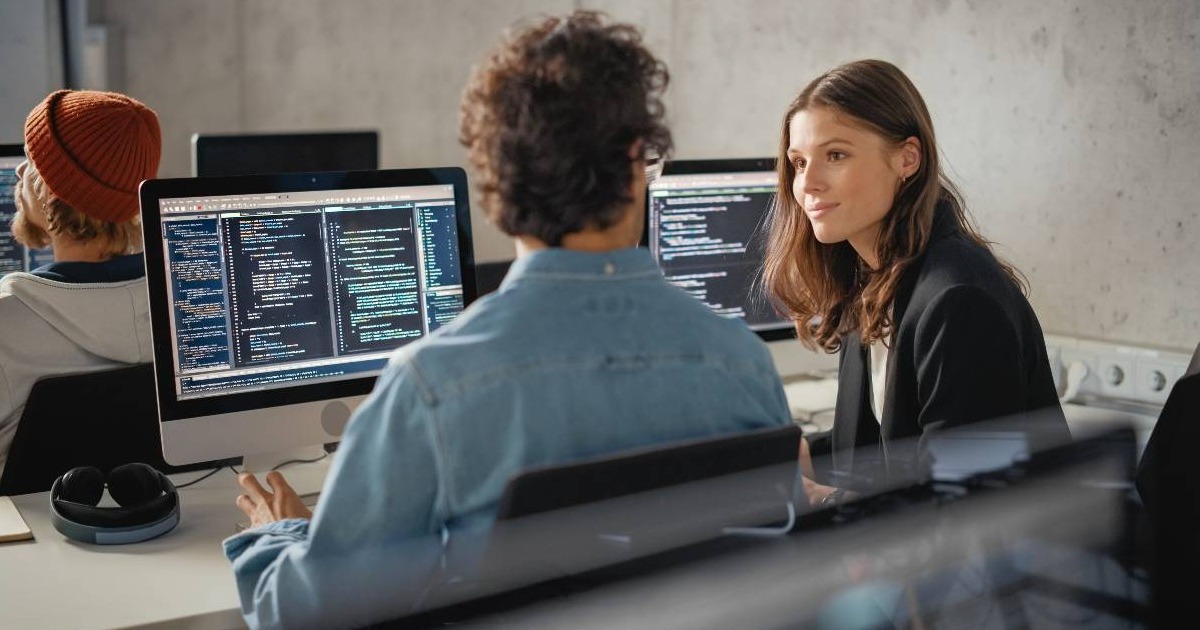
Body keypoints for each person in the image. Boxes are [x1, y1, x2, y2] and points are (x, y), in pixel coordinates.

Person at [224, 11, 791, 629]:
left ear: (495, 185)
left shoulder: (432, 387)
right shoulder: (743, 362)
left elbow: (304, 617)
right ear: (637, 166)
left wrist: (279, 536)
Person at [761, 59, 1068, 504]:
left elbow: (960, 506)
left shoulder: (959, 302)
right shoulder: (872, 280)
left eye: (836, 155)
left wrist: (820, 499)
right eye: (799, 162)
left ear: (907, 159)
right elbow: (881, 447)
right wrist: (798, 455)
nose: (808, 183)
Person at [0, 90, 161, 478]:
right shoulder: (185, 301)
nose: (20, 172)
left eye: (32, 161)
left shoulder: (6, 321)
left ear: (51, 190)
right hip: (161, 504)